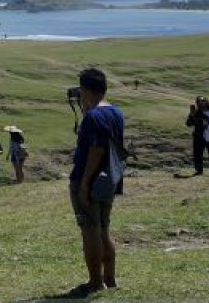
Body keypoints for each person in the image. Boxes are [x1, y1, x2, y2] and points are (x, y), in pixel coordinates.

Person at [68, 67, 125, 297]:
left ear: (84, 89)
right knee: (104, 227)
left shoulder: (93, 117)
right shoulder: (116, 112)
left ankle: (94, 282)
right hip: (109, 179)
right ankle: (109, 279)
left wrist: (84, 184)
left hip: (89, 179)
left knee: (89, 229)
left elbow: (96, 150)